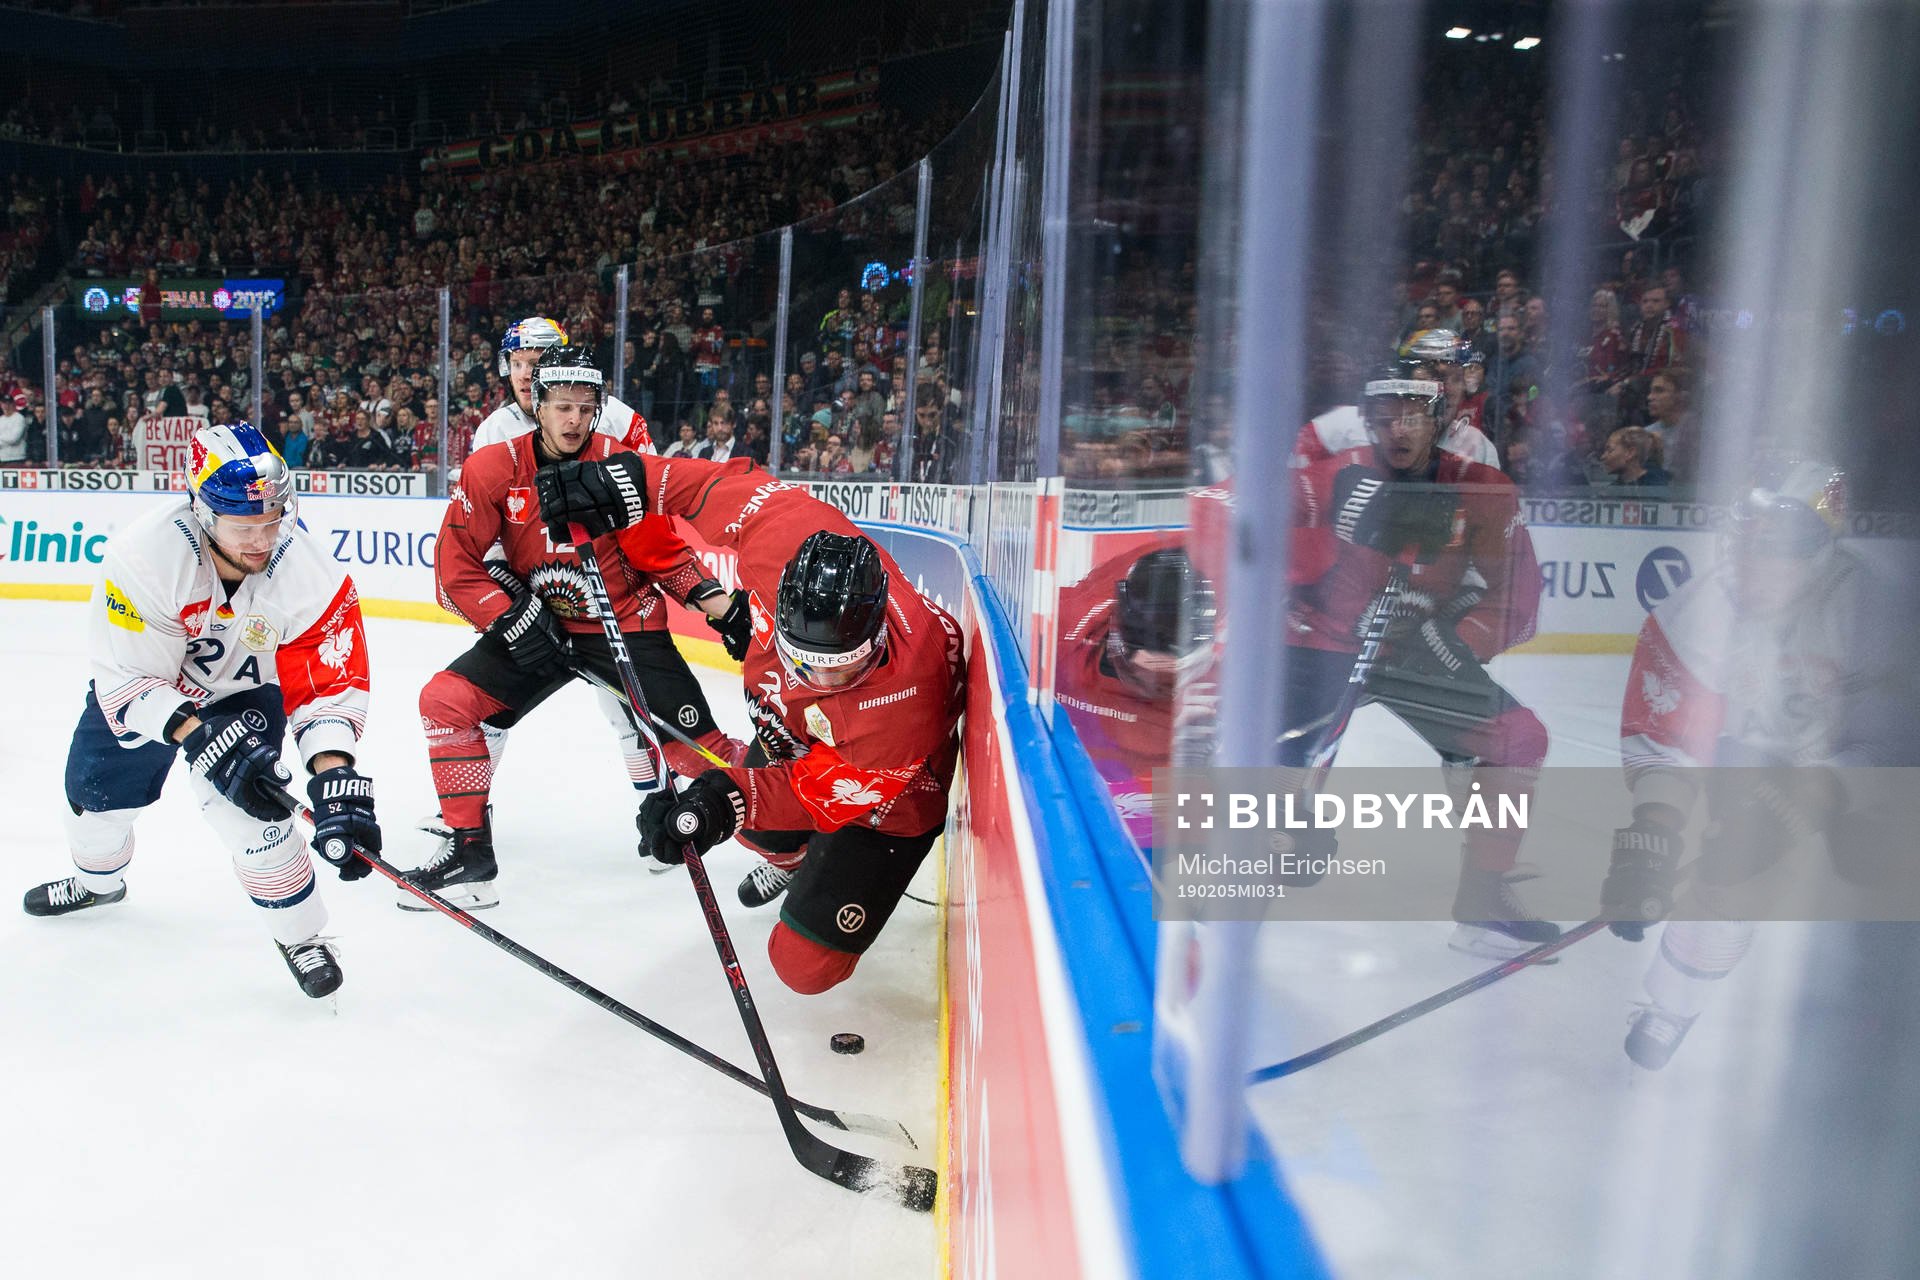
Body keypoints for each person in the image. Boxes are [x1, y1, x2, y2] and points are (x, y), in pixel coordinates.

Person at [535, 453, 966, 996]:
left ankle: (833, 862)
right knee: (758, 825)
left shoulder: (905, 705)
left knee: (803, 968)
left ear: (877, 638)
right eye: (802, 660)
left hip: (886, 803)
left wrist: (719, 799)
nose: (820, 680)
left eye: (844, 667)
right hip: (808, 745)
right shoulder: (785, 538)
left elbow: (811, 793)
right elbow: (714, 485)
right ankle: (802, 855)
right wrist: (622, 479)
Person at [21, 422, 380, 999]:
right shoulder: (146, 556)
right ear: (203, 511)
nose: (262, 540)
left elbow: (327, 684)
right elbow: (128, 677)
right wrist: (196, 733)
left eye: (272, 520)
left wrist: (334, 773)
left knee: (256, 815)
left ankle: (300, 936)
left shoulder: (311, 570)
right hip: (153, 695)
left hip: (244, 691)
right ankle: (98, 883)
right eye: (245, 526)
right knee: (92, 802)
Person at [404, 349, 749, 910]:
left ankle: (791, 844)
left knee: (697, 753)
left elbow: (658, 551)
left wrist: (717, 603)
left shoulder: (620, 464)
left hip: (623, 622)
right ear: (537, 405)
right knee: (446, 701)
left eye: (585, 408)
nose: (573, 420)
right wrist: (509, 616)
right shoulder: (493, 467)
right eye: (562, 406)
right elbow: (455, 567)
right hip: (538, 626)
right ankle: (470, 850)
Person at [1601, 459, 1901, 1069]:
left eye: (1781, 544)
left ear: (1822, 548)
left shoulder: (1879, 614)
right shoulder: (1690, 617)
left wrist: (1812, 798)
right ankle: (1674, 1003)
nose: (1755, 561)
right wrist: (1651, 838)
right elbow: (1666, 740)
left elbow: (1895, 742)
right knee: (1734, 870)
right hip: (1759, 753)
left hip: (1857, 766)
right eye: (1751, 537)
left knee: (1877, 882)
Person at [1285, 369, 1551, 957]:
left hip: (1410, 646)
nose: (1397, 432)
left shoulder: (1482, 487)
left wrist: (1456, 639)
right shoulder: (1334, 474)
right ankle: (1279, 836)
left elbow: (1517, 595)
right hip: (1323, 642)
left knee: (1517, 739)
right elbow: (1278, 556)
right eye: (1383, 420)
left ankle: (1483, 898)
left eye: (1411, 417)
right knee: (1260, 762)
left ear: (1439, 422)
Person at [1054, 543, 1217, 848]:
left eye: (1174, 682)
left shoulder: (1233, 693)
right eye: (1148, 678)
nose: (1156, 691)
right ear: (1117, 645)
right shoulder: (1062, 632)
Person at [1293, 331, 1500, 471]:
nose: (1447, 389)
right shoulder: (1349, 424)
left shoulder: (1477, 447)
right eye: (1435, 374)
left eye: (1456, 378)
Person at [1598, 425, 1670, 488]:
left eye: (1609, 450)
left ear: (1630, 453)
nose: (1603, 457)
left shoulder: (1660, 486)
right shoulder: (1612, 490)